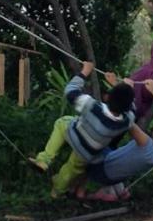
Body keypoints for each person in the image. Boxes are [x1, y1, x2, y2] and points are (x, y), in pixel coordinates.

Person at [28, 61, 135, 198]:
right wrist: (124, 88)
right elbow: (132, 109)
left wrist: (85, 71)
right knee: (72, 169)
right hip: (88, 152)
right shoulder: (126, 121)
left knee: (61, 123)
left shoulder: (92, 106)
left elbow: (70, 90)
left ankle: (44, 159)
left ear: (107, 97)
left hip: (74, 134)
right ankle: (57, 191)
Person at [81, 80, 153, 202]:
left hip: (100, 171)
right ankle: (116, 190)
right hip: (114, 178)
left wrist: (122, 88)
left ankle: (89, 194)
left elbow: (127, 119)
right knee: (111, 152)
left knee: (89, 147)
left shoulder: (146, 144)